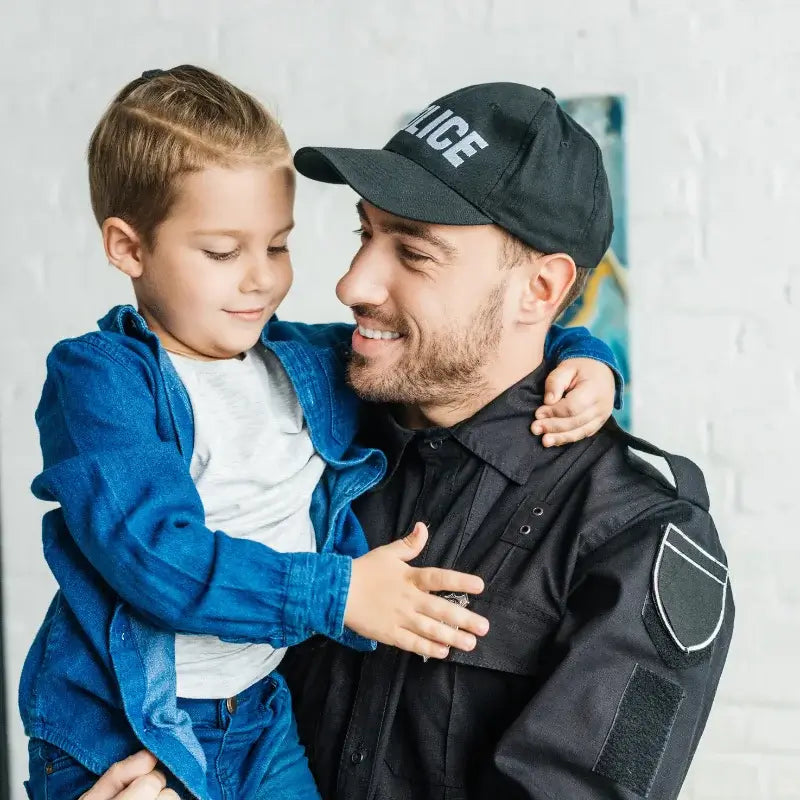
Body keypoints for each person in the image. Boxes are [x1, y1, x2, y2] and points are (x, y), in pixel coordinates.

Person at [20, 68, 620, 800]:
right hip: (129, 728)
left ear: (543, 290)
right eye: (221, 252)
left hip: (256, 719)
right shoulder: (105, 380)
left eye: (277, 247)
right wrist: (333, 595)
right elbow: (152, 554)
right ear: (127, 247)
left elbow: (434, 345)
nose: (267, 282)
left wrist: (584, 354)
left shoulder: (295, 367)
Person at [277, 82, 732, 799]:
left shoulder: (639, 536)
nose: (351, 283)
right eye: (365, 233)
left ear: (541, 290)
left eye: (416, 253)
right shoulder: (300, 438)